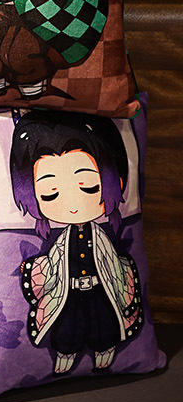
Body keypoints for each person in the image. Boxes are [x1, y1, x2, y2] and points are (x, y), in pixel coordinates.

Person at [11, 110, 142, 373]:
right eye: (50, 194)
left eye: (89, 187)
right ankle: (65, 353)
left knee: (104, 322)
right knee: (67, 326)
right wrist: (35, 270)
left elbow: (113, 264)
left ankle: (105, 349)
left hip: (100, 289)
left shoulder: (102, 238)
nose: (72, 205)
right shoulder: (61, 242)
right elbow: (52, 264)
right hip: (69, 292)